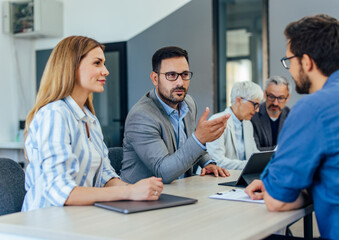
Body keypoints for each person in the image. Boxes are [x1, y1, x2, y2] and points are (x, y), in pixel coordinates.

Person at [245, 14, 339, 239]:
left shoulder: (313, 108)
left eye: (290, 61)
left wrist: (279, 186)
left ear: (306, 62)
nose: (289, 69)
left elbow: (277, 201)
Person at [22, 36, 163, 212]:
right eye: (97, 63)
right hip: (46, 223)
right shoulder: (54, 115)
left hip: (80, 216)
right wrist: (129, 192)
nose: (106, 71)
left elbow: (105, 176)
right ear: (71, 67)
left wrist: (141, 191)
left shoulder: (89, 118)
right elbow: (62, 193)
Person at [120, 46, 230, 184]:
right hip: (142, 199)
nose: (180, 82)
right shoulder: (141, 116)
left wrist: (208, 163)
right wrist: (200, 138)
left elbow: (188, 145)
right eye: (171, 75)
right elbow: (163, 172)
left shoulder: (189, 104)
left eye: (184, 74)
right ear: (155, 78)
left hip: (180, 190)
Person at [207, 81, 262, 170]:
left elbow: (254, 155)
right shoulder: (217, 121)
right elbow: (217, 162)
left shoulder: (248, 124)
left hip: (238, 178)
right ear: (239, 100)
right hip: (217, 180)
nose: (257, 110)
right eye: (255, 105)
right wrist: (250, 165)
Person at [251, 76, 291, 151]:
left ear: (288, 97)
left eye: (280, 98)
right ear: (265, 94)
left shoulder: (292, 116)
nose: (275, 103)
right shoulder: (253, 115)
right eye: (271, 97)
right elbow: (254, 151)